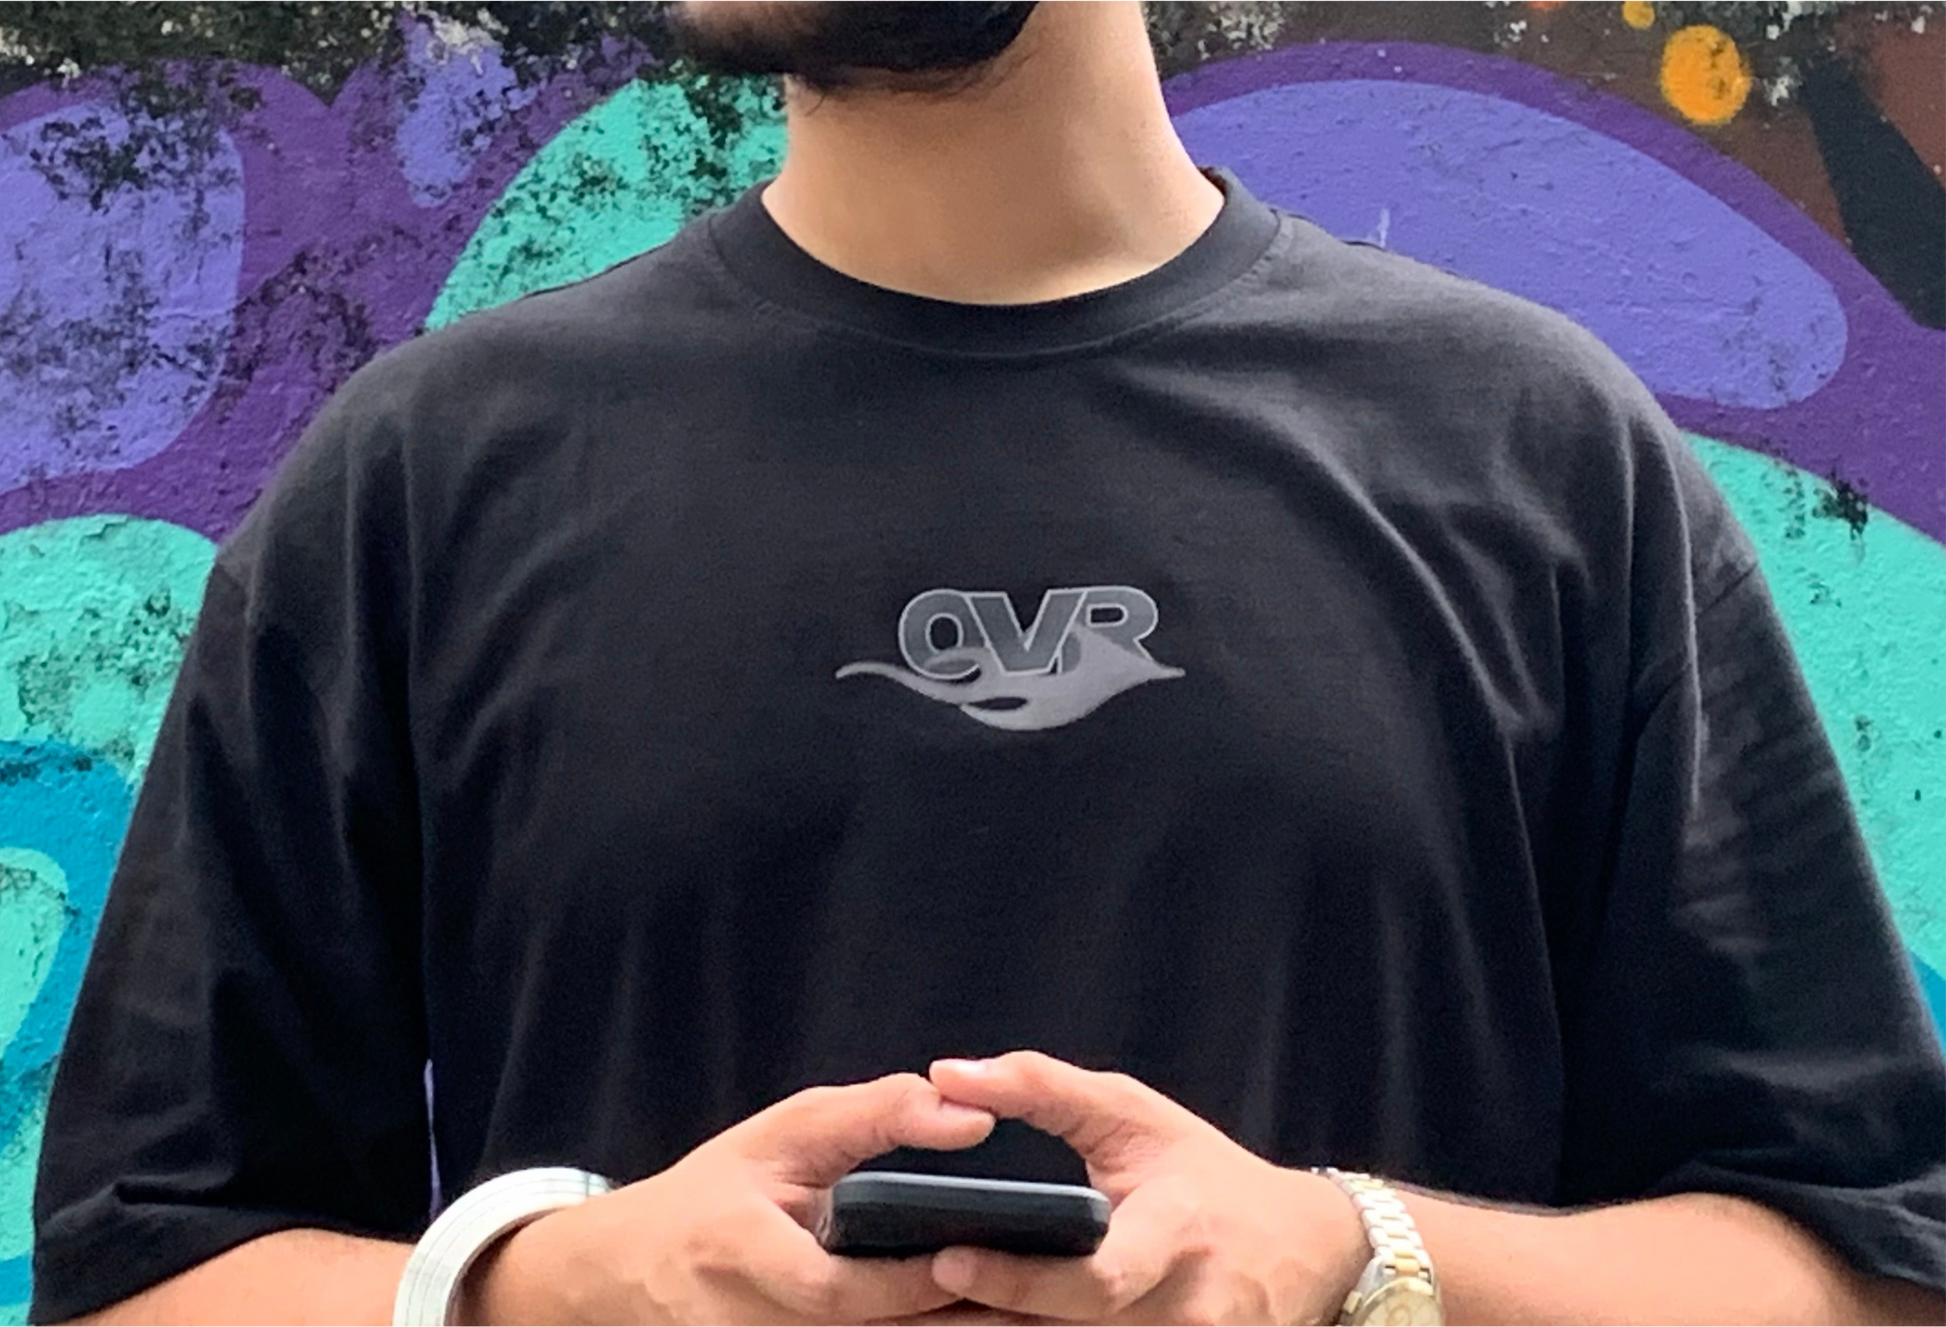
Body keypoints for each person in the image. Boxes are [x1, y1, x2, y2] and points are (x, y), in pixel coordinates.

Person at [28, 0, 1946, 1323]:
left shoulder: (1535, 453)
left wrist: (1351, 1253)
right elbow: (150, 1266)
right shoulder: (432, 475)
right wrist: (553, 1283)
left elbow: (1866, 1263)